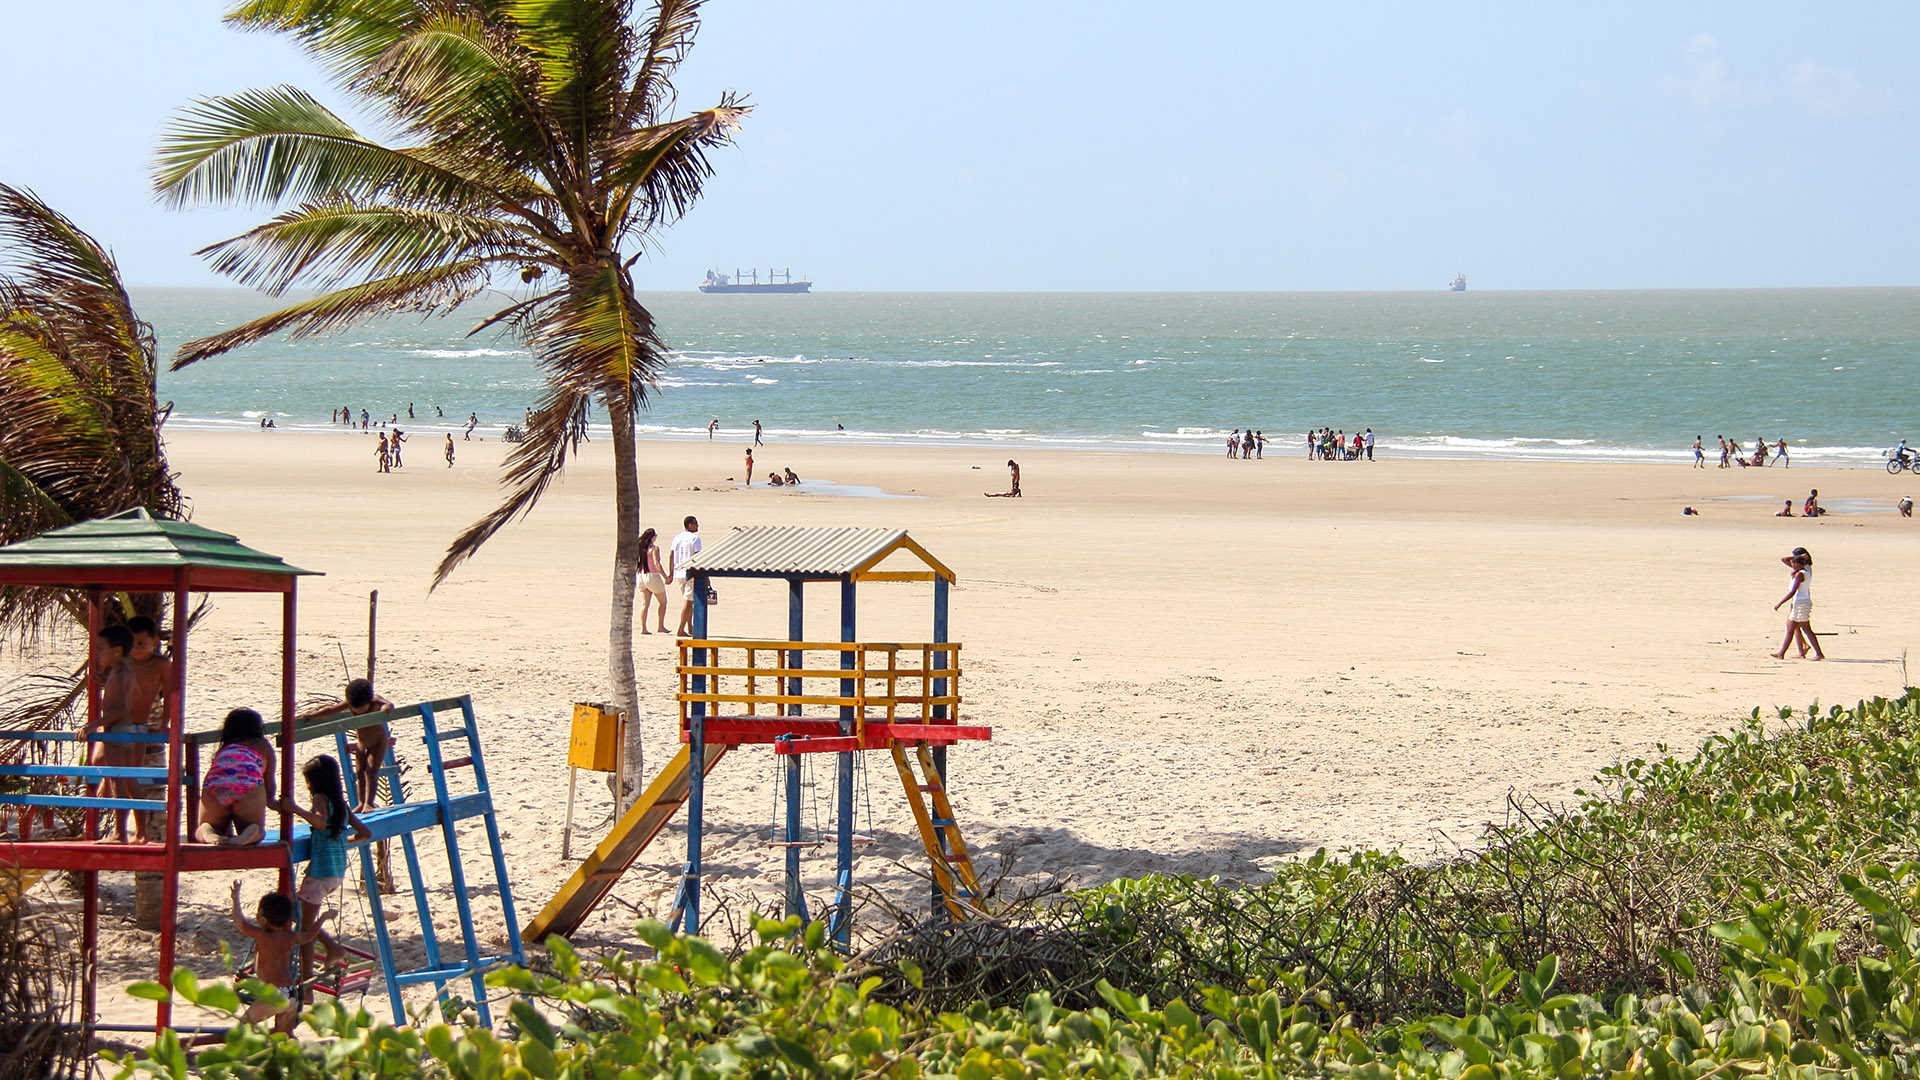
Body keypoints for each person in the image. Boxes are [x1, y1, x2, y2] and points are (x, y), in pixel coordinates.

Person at [280, 755, 369, 969]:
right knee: (299, 917)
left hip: (319, 874)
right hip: (336, 873)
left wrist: (295, 809)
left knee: (303, 928)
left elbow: (319, 822)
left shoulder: (320, 798)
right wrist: (341, 841)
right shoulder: (341, 805)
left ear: (317, 781)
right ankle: (330, 950)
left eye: (308, 781)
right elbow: (365, 833)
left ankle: (317, 967)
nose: (308, 786)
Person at [231, 881, 331, 1034]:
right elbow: (309, 936)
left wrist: (235, 898)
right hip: (291, 993)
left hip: (276, 994)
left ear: (263, 919)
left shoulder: (263, 936)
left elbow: (239, 923)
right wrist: (323, 918)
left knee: (242, 1028)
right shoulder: (290, 937)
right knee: (284, 1036)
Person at [82, 625, 142, 843]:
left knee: (118, 782)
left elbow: (120, 709)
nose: (97, 652)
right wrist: (105, 683)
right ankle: (141, 832)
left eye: (101, 648)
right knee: (129, 780)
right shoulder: (122, 670)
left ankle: (119, 833)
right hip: (124, 731)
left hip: (116, 732)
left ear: (116, 651)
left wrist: (92, 725)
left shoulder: (120, 672)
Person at [299, 680, 393, 811]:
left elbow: (387, 704)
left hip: (378, 742)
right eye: (356, 710)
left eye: (363, 709)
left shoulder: (374, 701)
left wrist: (385, 709)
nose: (360, 712)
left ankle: (369, 802)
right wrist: (313, 715)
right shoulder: (349, 703)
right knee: (359, 773)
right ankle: (361, 803)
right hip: (362, 743)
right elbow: (331, 710)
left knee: (371, 771)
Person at [197, 708, 275, 846]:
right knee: (255, 828)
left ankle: (209, 834)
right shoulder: (262, 745)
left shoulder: (225, 749)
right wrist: (269, 800)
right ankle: (242, 838)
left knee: (207, 825)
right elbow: (270, 784)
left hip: (215, 785)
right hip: (248, 786)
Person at [1772, 547, 1823, 660]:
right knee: (1792, 629)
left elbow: (1792, 591)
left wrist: (1779, 603)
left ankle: (1818, 653)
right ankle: (1782, 653)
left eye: (1794, 562)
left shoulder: (1801, 573)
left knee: (1804, 629)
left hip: (1801, 603)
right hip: (1799, 603)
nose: (1791, 564)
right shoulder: (1803, 571)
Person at [669, 516, 702, 636]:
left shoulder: (677, 537)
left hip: (679, 572)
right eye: (695, 524)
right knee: (688, 602)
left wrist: (671, 573)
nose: (697, 526)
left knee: (688, 601)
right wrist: (705, 576)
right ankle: (681, 629)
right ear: (689, 525)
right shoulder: (695, 538)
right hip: (690, 572)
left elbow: (671, 556)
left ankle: (690, 627)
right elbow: (698, 558)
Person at [637, 527, 669, 634]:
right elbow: (657, 564)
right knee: (663, 602)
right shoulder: (654, 549)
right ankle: (660, 626)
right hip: (653, 576)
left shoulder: (641, 548)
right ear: (652, 537)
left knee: (644, 604)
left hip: (641, 575)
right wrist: (666, 577)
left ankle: (643, 628)